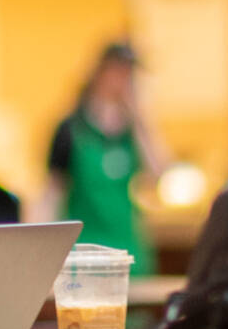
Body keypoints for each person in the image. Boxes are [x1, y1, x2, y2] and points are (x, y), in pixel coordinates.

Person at [40, 40, 165, 270]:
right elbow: (51, 193)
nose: (124, 81)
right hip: (83, 252)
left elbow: (158, 174)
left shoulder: (132, 132)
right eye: (120, 72)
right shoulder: (71, 129)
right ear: (101, 73)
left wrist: (140, 119)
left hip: (128, 249)